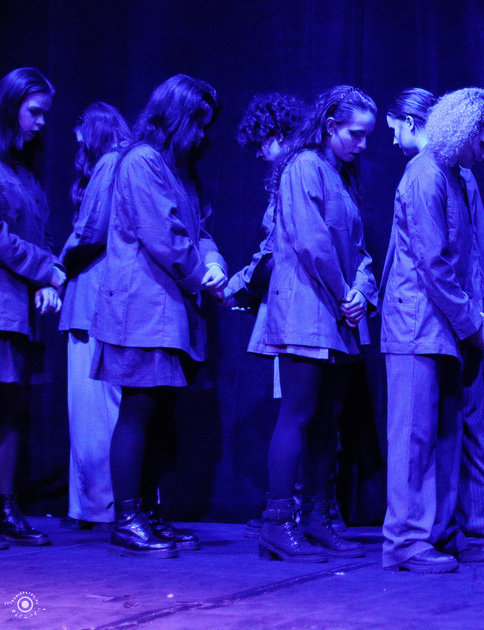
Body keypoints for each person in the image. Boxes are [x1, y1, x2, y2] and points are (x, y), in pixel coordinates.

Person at [90, 74, 227, 558]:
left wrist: (215, 263)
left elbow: (199, 230)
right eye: (197, 122)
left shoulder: (180, 168)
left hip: (169, 311)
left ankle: (147, 513)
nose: (202, 134)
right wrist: (201, 276)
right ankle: (127, 519)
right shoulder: (142, 160)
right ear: (174, 116)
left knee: (159, 413)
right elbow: (165, 237)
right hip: (141, 310)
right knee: (139, 408)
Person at [380, 87, 484, 573]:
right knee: (413, 437)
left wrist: (474, 321)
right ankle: (405, 541)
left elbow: (465, 260)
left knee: (448, 436)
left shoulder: (453, 174)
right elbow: (433, 264)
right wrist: (473, 323)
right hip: (416, 326)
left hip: (444, 328)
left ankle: (442, 532)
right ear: (462, 131)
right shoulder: (424, 173)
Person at [258, 85, 377, 562]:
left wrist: (361, 291)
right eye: (356, 134)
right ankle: (277, 524)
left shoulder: (341, 176)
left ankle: (316, 518)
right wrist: (346, 294)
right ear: (330, 125)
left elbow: (362, 252)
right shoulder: (303, 167)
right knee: (299, 415)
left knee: (329, 420)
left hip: (339, 316)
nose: (363, 145)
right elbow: (312, 243)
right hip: (306, 312)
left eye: (367, 136)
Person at [226, 92, 304, 537]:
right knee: (304, 411)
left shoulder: (293, 175)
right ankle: (303, 507)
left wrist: (234, 285)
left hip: (296, 313)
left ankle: (294, 510)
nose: (259, 155)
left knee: (299, 412)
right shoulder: (306, 170)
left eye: (260, 144)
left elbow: (275, 252)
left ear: (275, 135)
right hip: (295, 309)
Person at [59, 102, 132, 529]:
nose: (77, 146)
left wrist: (56, 265)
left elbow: (89, 230)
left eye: (81, 136)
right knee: (104, 409)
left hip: (92, 300)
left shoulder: (110, 163)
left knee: (92, 412)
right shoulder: (134, 162)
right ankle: (89, 505)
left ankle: (101, 506)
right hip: (110, 301)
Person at [0, 67, 64, 548]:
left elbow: (41, 234)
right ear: (11, 107)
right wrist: (46, 270)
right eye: (34, 112)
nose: (41, 122)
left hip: (20, 309)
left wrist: (47, 278)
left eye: (45, 114)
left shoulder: (25, 171)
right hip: (2, 306)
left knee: (14, 408)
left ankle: (6, 506)